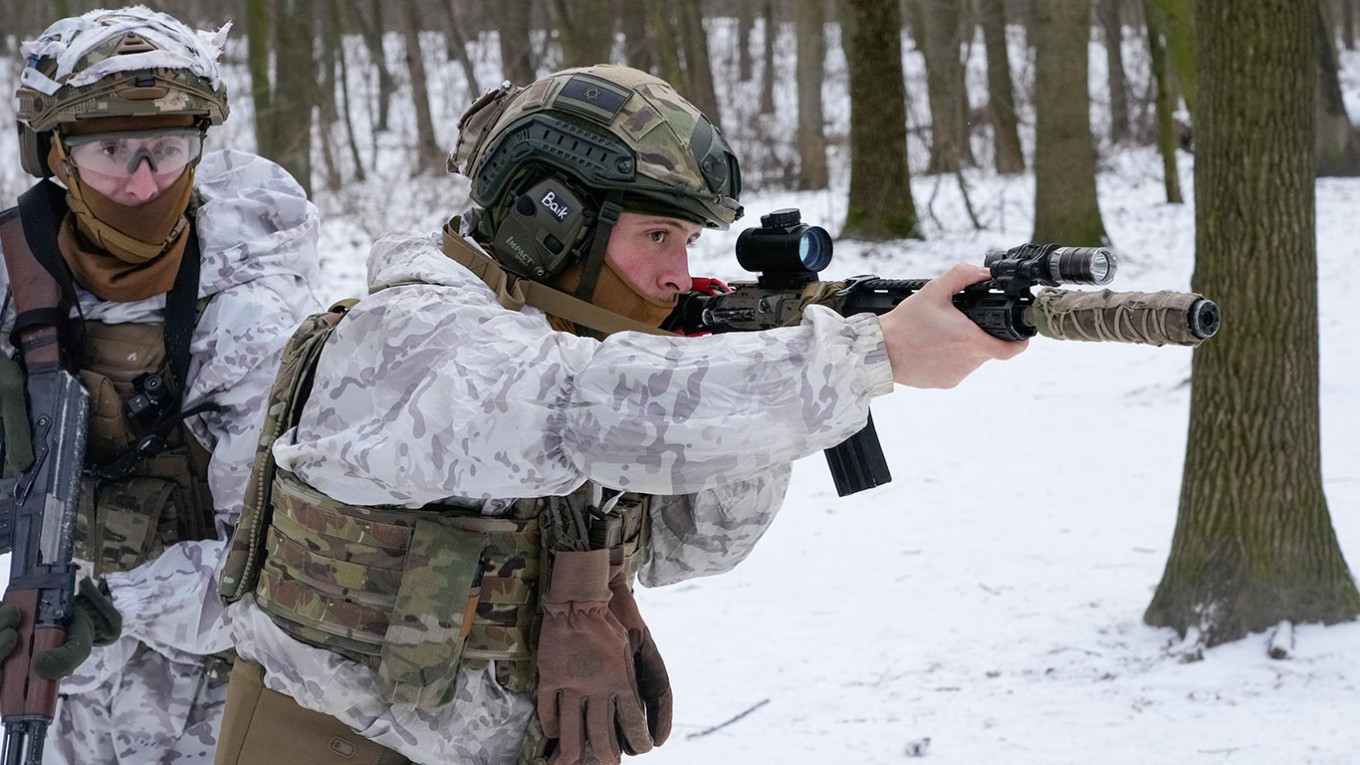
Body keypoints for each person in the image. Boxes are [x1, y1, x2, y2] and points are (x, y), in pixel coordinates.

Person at [213, 64, 1024, 765]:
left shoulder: (577, 334)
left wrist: (761, 366)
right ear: (550, 221)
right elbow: (578, 409)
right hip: (334, 745)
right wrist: (865, 355)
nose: (678, 275)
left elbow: (690, 544)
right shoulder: (413, 336)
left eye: (687, 244)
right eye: (659, 236)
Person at [0, 7, 322, 763]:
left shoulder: (252, 317)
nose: (143, 182)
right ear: (55, 155)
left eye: (168, 149)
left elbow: (274, 569)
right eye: (112, 149)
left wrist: (110, 604)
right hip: (50, 699)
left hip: (208, 708)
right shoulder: (12, 283)